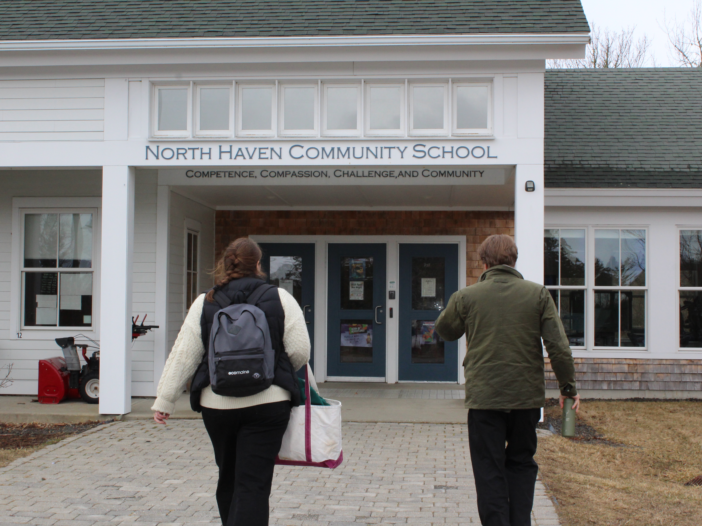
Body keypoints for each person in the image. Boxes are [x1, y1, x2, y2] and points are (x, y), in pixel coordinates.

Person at [151, 237, 310, 526]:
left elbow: (184, 353)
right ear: (258, 264)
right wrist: (272, 370)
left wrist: (165, 399)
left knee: (229, 478)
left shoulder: (205, 301)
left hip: (217, 404)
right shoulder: (280, 298)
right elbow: (300, 349)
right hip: (268, 405)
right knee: (253, 484)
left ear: (226, 263)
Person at [435, 234, 579, 526]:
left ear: (484, 262)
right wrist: (567, 388)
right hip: (526, 400)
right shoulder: (538, 294)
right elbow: (559, 347)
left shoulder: (467, 296)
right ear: (514, 261)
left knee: (489, 469)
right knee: (522, 464)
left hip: (485, 399)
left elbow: (446, 330)